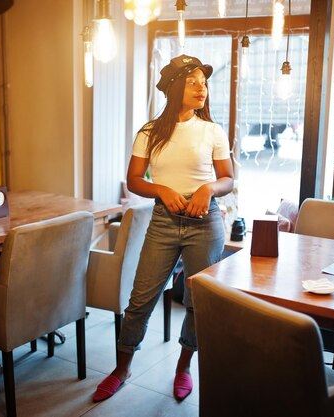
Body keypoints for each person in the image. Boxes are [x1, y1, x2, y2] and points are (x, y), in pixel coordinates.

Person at [92, 55, 234, 403]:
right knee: (141, 298)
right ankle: (121, 369)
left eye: (204, 82)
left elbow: (228, 179)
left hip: (206, 223)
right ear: (174, 88)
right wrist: (162, 190)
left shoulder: (212, 130)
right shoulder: (150, 132)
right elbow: (135, 179)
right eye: (193, 82)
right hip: (163, 221)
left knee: (197, 302)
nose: (202, 87)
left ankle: (183, 367)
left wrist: (207, 189)